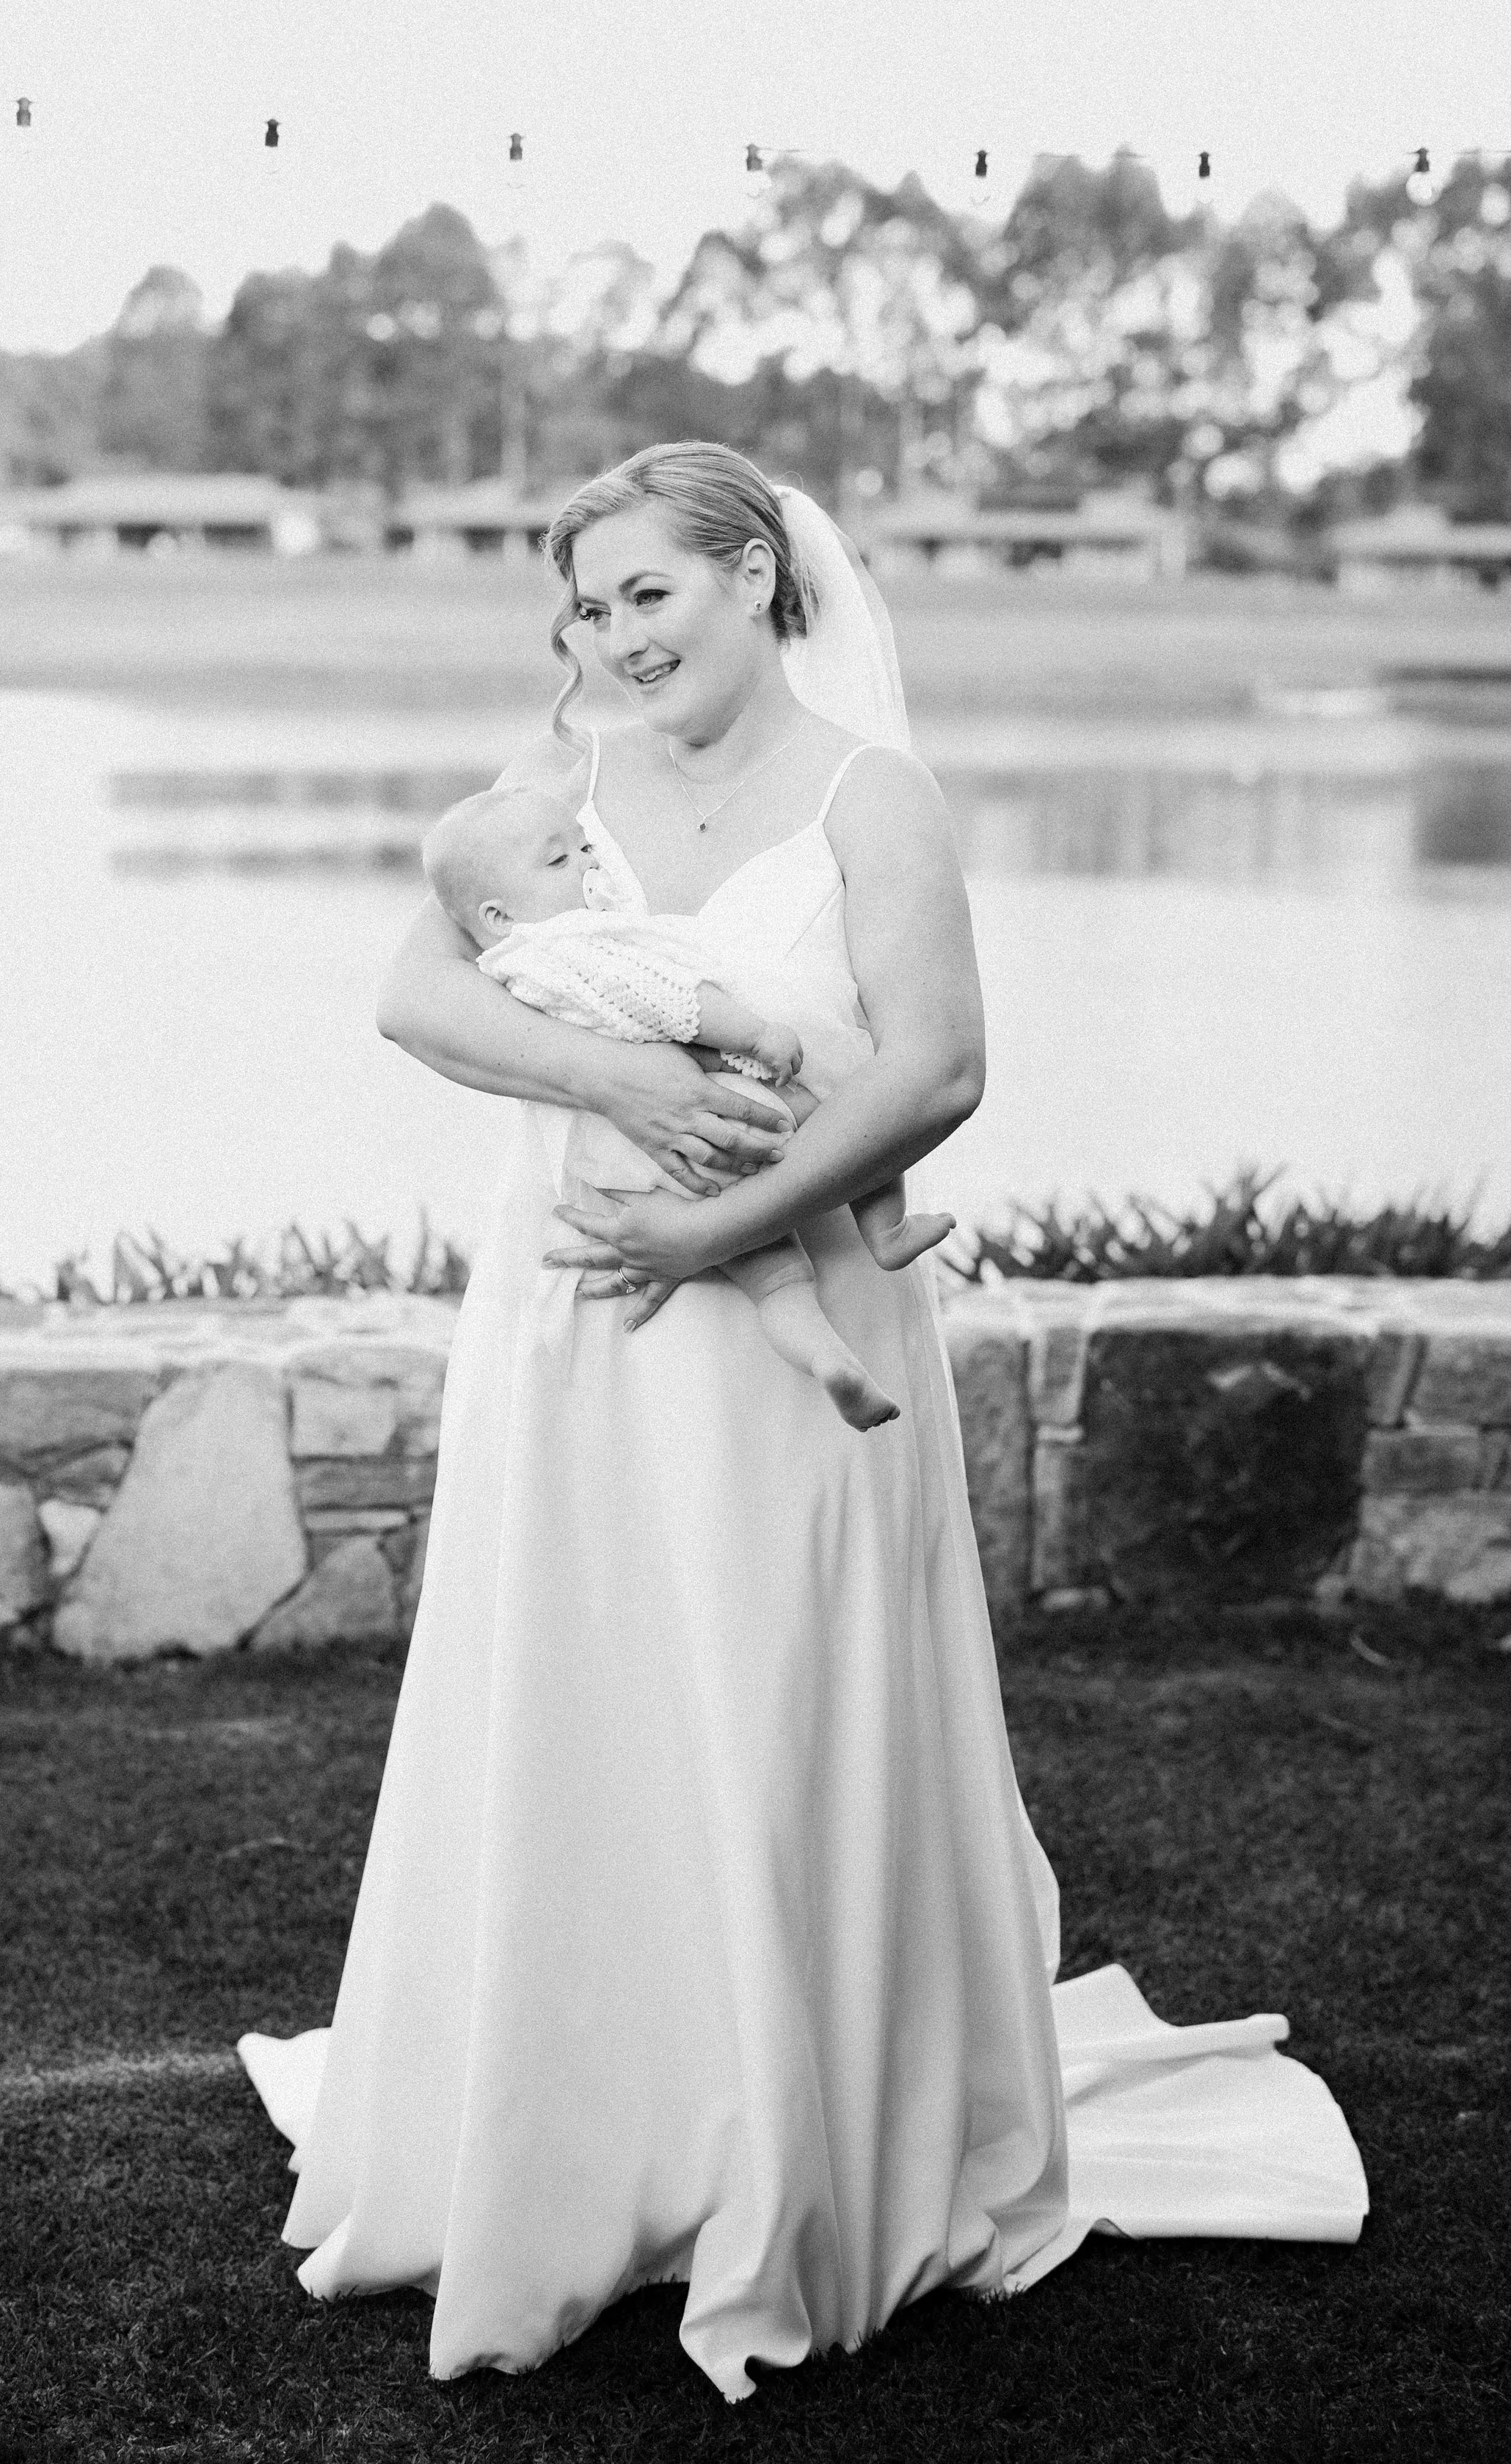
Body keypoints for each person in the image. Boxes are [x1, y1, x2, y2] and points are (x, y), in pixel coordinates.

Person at [239, 443, 1366, 2403]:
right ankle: (584, 2117)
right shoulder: (550, 795)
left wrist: (719, 1217)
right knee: (585, 1684)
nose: (611, 638)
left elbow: (936, 1062)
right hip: (576, 1310)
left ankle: (793, 2126)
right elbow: (415, 999)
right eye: (583, 609)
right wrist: (623, 1076)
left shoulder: (873, 796)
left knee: (771, 1690)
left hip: (776, 1316)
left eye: (645, 592)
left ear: (757, 574)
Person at [419, 777, 955, 1428]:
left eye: (587, 848)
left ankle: (826, 1359)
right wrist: (755, 1033)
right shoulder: (576, 948)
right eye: (562, 862)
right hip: (714, 1107)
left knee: (773, 1273)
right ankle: (885, 1229)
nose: (589, 864)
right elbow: (676, 1002)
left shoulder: (512, 966)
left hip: (631, 1164)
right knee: (841, 1113)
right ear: (498, 917)